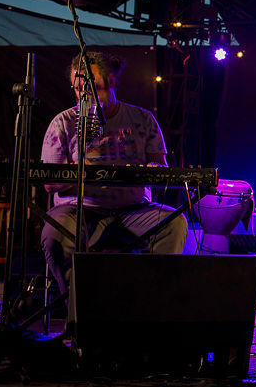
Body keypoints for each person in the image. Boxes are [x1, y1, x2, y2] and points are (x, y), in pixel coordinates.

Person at [40, 51, 188, 294]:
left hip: (134, 211)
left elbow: (159, 168)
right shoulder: (64, 122)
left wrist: (149, 171)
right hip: (81, 210)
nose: (84, 95)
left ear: (111, 82)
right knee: (54, 232)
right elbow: (50, 183)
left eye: (93, 87)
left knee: (174, 224)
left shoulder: (142, 119)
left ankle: (153, 304)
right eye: (79, 89)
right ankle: (77, 311)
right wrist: (86, 170)